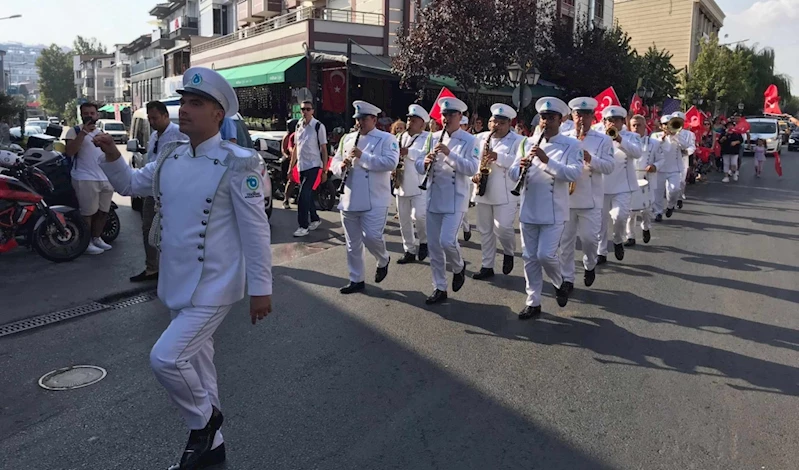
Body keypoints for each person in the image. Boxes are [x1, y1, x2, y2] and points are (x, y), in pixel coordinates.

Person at [93, 66, 273, 470]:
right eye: (184, 103)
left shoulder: (238, 163)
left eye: (197, 103)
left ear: (218, 114)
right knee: (197, 363)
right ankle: (214, 450)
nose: (185, 110)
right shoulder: (171, 157)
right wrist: (109, 155)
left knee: (167, 358)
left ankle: (205, 422)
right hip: (176, 283)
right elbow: (130, 185)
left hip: (214, 285)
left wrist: (262, 288)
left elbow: (256, 232)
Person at [510, 97, 582, 319]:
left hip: (553, 210)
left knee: (545, 255)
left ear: (561, 120)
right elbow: (512, 174)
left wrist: (546, 160)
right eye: (543, 117)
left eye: (551, 118)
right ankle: (533, 301)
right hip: (529, 208)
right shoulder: (525, 142)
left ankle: (560, 282)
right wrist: (520, 165)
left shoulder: (572, 145)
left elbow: (573, 174)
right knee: (530, 257)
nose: (546, 122)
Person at [331, 101, 399, 294]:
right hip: (350, 197)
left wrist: (363, 157)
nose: (359, 123)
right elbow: (334, 161)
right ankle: (356, 279)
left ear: (374, 120)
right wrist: (340, 167)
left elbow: (391, 163)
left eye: (363, 119)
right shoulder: (348, 138)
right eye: (357, 119)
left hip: (375, 198)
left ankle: (383, 258)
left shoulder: (386, 139)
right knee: (352, 244)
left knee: (371, 236)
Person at [415, 97, 478, 305]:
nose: (446, 118)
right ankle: (439, 287)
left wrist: (449, 154)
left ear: (460, 117)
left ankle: (459, 267)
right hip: (434, 197)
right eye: (443, 115)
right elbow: (417, 163)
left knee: (447, 241)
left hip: (455, 198)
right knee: (434, 246)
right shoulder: (431, 138)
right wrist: (423, 163)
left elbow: (471, 169)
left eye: (451, 115)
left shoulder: (470, 141)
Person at [559, 97, 615, 291]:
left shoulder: (604, 139)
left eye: (585, 115)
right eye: (577, 114)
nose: (581, 119)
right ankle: (567, 279)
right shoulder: (563, 135)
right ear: (572, 116)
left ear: (592, 117)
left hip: (590, 198)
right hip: (565, 197)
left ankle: (590, 264)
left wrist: (590, 158)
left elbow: (609, 167)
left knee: (590, 239)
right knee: (565, 242)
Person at [130, 101, 187, 283]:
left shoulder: (179, 133)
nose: (152, 121)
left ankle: (174, 268)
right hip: (152, 190)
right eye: (149, 118)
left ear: (165, 116)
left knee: (172, 230)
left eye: (155, 117)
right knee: (148, 228)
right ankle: (152, 268)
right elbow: (151, 161)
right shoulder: (155, 136)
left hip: (172, 191)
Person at [471, 103, 524, 280]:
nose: (496, 126)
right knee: (485, 230)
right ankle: (487, 265)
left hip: (505, 192)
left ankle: (509, 251)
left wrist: (498, 157)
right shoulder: (479, 138)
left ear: (509, 124)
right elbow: (471, 160)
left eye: (501, 123)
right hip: (483, 189)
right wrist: (474, 175)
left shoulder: (518, 141)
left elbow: (520, 162)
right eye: (494, 122)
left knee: (503, 228)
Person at [64, 102, 115, 255]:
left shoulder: (101, 132)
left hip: (105, 178)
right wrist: (83, 133)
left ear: (97, 115)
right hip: (85, 178)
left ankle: (97, 238)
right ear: (81, 115)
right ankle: (85, 243)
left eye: (92, 113)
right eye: (86, 113)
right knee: (88, 213)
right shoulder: (74, 131)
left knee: (103, 211)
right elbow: (70, 152)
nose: (89, 116)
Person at [596, 106, 642, 264]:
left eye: (616, 120)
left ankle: (617, 239)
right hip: (601, 184)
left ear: (623, 121)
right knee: (600, 222)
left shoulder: (632, 136)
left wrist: (619, 139)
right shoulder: (598, 136)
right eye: (609, 120)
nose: (612, 123)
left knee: (620, 216)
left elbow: (637, 153)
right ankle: (601, 251)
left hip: (623, 185)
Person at [394, 104, 430, 264]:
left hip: (418, 184)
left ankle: (424, 241)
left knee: (420, 216)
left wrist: (409, 153)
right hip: (401, 183)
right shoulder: (399, 137)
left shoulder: (427, 137)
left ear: (422, 124)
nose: (409, 122)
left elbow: (426, 155)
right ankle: (409, 249)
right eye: (408, 119)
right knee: (404, 220)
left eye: (413, 120)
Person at [625, 114, 663, 246]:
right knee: (630, 211)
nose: (636, 128)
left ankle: (646, 227)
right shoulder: (625, 142)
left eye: (639, 125)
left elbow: (661, 159)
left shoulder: (654, 143)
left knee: (646, 210)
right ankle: (630, 236)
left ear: (644, 126)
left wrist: (654, 166)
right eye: (633, 125)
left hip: (647, 180)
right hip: (630, 180)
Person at [292, 100, 329, 236]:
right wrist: (292, 167)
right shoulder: (298, 126)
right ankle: (314, 218)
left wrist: (324, 169)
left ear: (313, 111)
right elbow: (296, 147)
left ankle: (303, 226)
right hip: (302, 165)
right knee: (306, 194)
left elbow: (324, 148)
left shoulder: (318, 126)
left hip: (313, 165)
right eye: (303, 109)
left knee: (302, 196)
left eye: (308, 109)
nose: (305, 112)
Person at [650, 114, 686, 220]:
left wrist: (675, 136)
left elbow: (685, 146)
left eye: (670, 123)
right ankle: (658, 212)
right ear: (661, 126)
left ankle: (670, 206)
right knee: (658, 192)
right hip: (659, 168)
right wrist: (664, 136)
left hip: (674, 168)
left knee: (674, 189)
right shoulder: (655, 136)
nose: (667, 126)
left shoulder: (678, 135)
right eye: (665, 124)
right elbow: (653, 146)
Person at [671, 112, 695, 209]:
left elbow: (692, 146)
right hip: (669, 160)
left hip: (682, 160)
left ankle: (679, 198)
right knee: (670, 185)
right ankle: (670, 202)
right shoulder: (667, 132)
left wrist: (686, 152)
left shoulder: (689, 134)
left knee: (681, 181)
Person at [281, 119, 298, 209]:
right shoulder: (288, 136)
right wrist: (288, 155)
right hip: (290, 158)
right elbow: (285, 149)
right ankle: (286, 199)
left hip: (301, 160)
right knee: (292, 180)